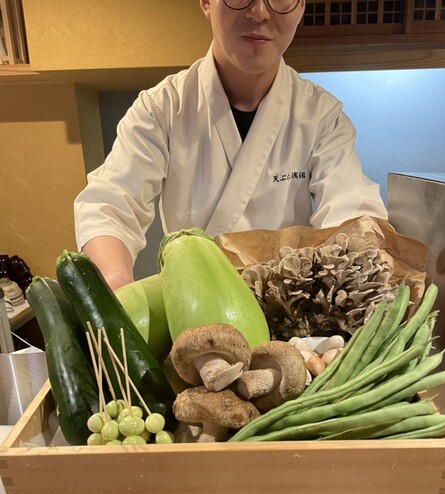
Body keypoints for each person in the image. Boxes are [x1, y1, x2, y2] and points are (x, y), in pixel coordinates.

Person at [74, 0, 388, 290]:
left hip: (290, 312)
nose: (260, 12)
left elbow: (352, 212)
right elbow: (111, 204)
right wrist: (114, 280)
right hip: (191, 305)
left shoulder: (320, 115)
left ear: (301, 6)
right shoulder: (162, 109)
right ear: (206, 3)